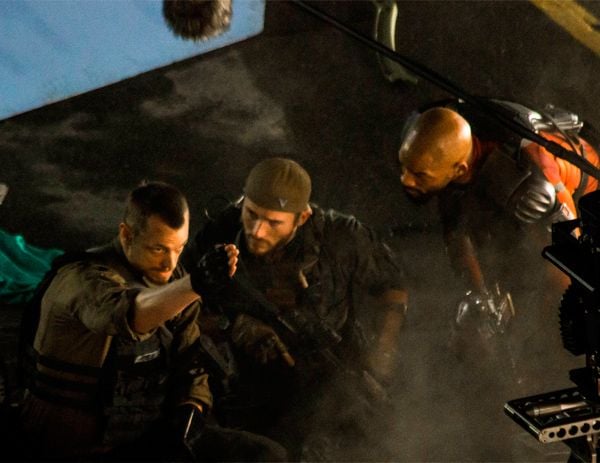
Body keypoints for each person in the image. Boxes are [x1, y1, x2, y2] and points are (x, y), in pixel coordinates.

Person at [17, 180, 287, 461]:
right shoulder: (80, 279)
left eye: (179, 248)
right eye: (158, 249)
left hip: (145, 434)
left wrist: (189, 415)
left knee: (265, 455)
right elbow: (128, 314)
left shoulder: (175, 282)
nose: (169, 264)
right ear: (127, 235)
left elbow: (191, 363)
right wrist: (194, 284)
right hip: (76, 444)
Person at [187, 157, 408, 460]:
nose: (258, 231)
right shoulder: (218, 234)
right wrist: (232, 326)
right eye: (251, 214)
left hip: (330, 380)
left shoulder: (340, 236)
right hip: (249, 388)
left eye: (274, 222)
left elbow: (393, 287)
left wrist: (383, 351)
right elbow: (175, 306)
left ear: (302, 217)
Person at [397, 100, 600, 362]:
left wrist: (549, 339)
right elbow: (456, 229)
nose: (406, 179)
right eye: (405, 167)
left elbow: (570, 267)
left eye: (419, 175)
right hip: (517, 205)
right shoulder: (447, 147)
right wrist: (480, 295)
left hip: (582, 195)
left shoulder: (527, 185)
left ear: (460, 168)